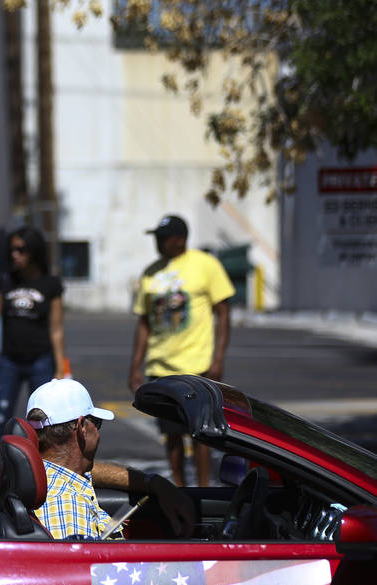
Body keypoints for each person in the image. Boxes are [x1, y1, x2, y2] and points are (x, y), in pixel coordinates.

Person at [128, 214, 234, 487]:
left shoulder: (205, 265)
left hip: (197, 365)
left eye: (163, 238)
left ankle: (202, 490)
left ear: (181, 240)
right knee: (171, 435)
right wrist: (135, 366)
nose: (158, 243)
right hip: (160, 367)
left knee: (201, 435)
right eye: (156, 238)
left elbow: (223, 312)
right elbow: (144, 321)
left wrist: (218, 358)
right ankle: (180, 490)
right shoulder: (151, 272)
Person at [27, 378, 195, 540]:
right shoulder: (67, 506)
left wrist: (155, 483)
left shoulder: (44, 473)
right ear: (82, 428)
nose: (99, 433)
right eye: (97, 423)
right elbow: (84, 568)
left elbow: (94, 471)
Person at [0, 226, 66, 465]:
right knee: (0, 418)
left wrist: (60, 367)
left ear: (34, 252)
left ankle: (46, 469)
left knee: (44, 420)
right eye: (12, 250)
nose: (15, 255)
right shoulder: (6, 280)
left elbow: (57, 328)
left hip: (41, 359)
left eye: (21, 250)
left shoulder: (51, 284)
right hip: (9, 360)